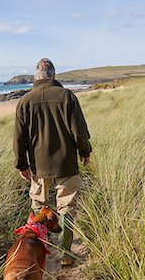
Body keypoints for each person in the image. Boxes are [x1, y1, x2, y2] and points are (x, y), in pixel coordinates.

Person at [13, 58, 91, 266]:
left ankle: (39, 254)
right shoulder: (67, 97)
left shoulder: (25, 101)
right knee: (66, 208)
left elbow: (19, 138)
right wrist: (85, 152)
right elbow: (80, 132)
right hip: (67, 163)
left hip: (39, 167)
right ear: (53, 75)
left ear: (36, 76)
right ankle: (65, 255)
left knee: (39, 207)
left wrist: (22, 164)